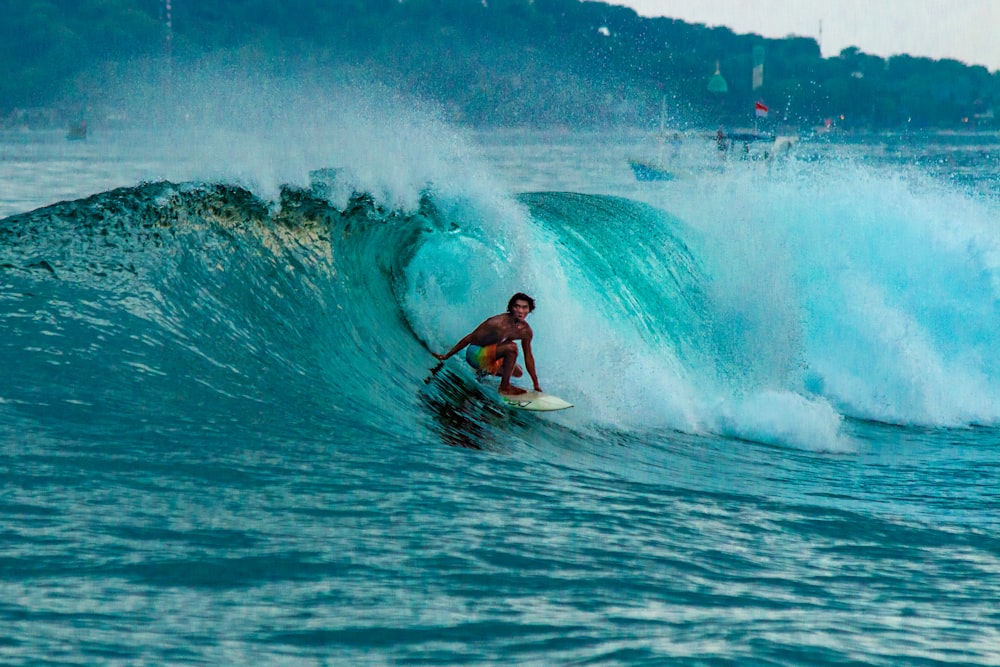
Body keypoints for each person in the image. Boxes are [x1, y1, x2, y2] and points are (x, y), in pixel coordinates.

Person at [433, 292, 541, 396]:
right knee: (512, 348)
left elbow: (529, 357)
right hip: (475, 354)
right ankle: (504, 388)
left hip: (489, 355)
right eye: (517, 306)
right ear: (511, 307)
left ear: (529, 309)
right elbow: (470, 338)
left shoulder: (525, 331)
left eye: (524, 307)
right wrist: (447, 355)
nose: (520, 311)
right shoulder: (497, 323)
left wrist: (536, 384)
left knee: (518, 372)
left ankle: (483, 372)